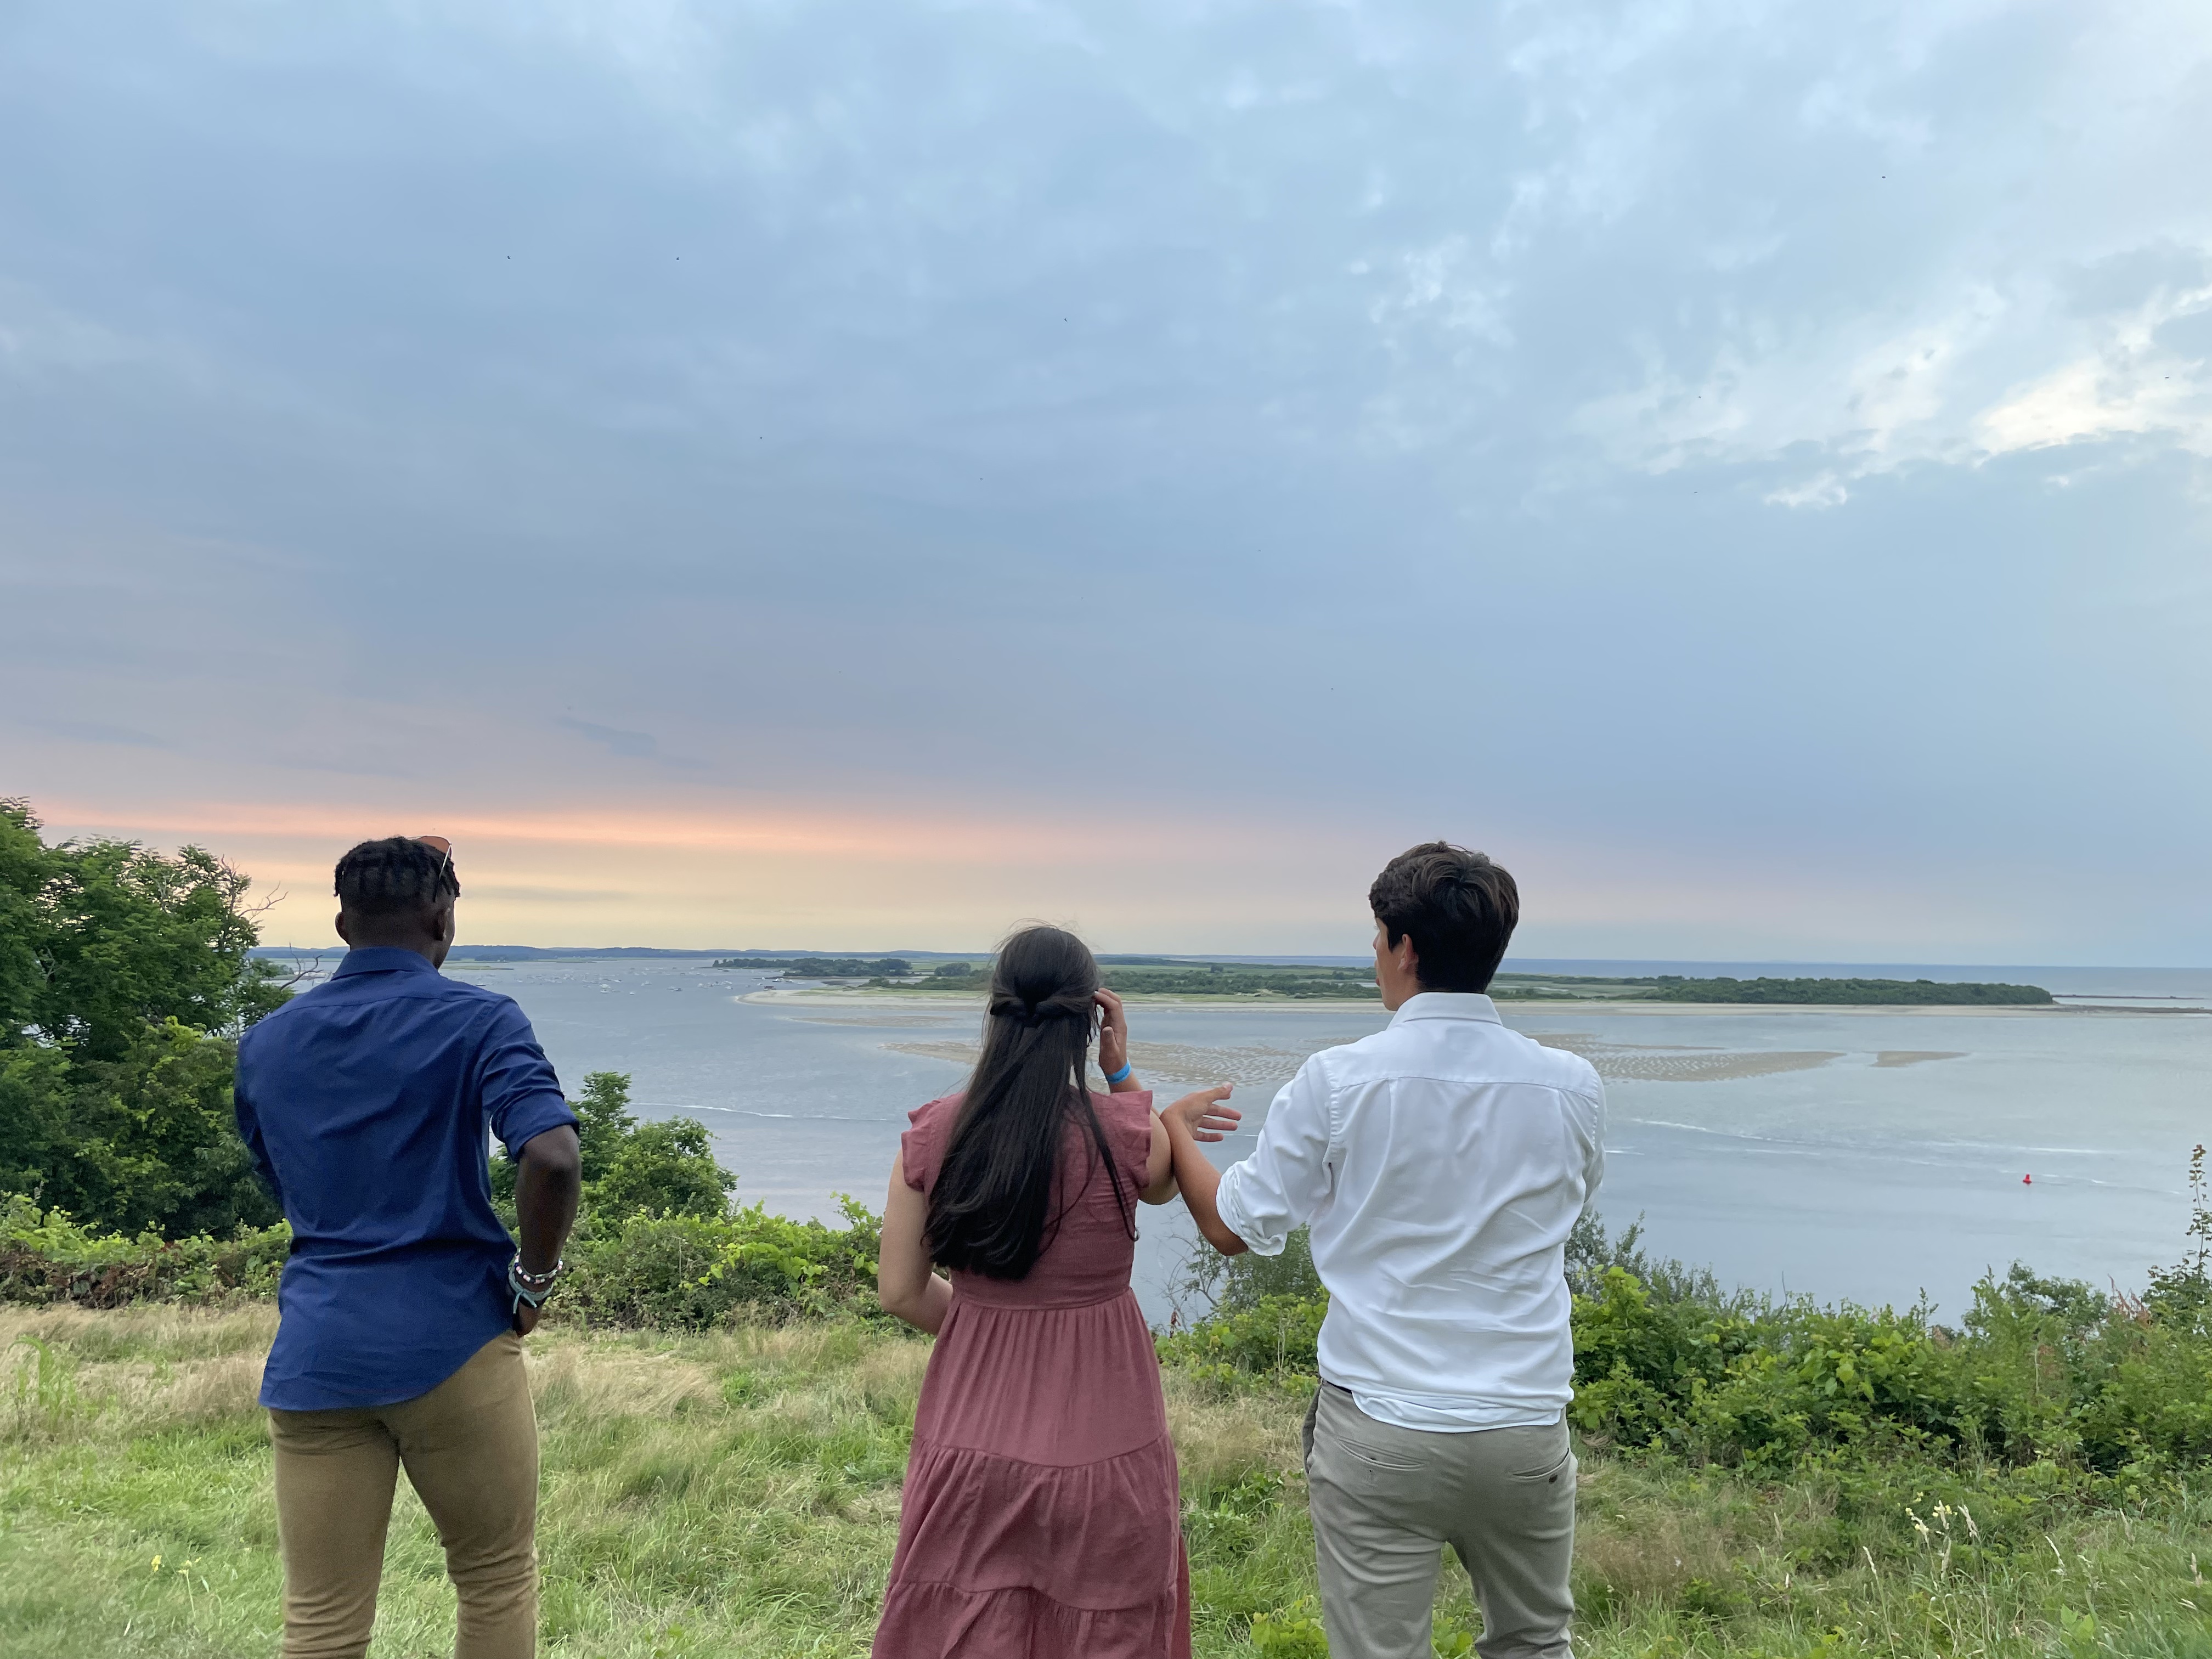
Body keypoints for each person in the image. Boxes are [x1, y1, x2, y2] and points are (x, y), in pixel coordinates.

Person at [1163, 843, 1606, 1659]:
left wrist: (1172, 1132)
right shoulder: (1571, 1086)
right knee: (1537, 1642)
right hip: (1524, 1425)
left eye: (1377, 938)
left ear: (1404, 948)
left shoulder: (1338, 1081)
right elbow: (1569, 1205)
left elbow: (1232, 1227)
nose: (1374, 954)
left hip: (1381, 1424)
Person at [234, 836, 583, 1659]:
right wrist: (533, 1281)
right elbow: (553, 1155)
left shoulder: (268, 1040)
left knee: (321, 1617)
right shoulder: (480, 1019)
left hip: (319, 1349)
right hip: (455, 1339)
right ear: (442, 916)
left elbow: (282, 1177)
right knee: (494, 1576)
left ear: (342, 924)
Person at [872, 924, 1234, 1658]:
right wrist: (1121, 1069)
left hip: (971, 1440)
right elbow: (1164, 1184)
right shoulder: (1124, 1135)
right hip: (1110, 1444)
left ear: (997, 1011)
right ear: (1089, 1018)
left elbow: (901, 1292)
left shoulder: (935, 1133)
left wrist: (988, 1324)